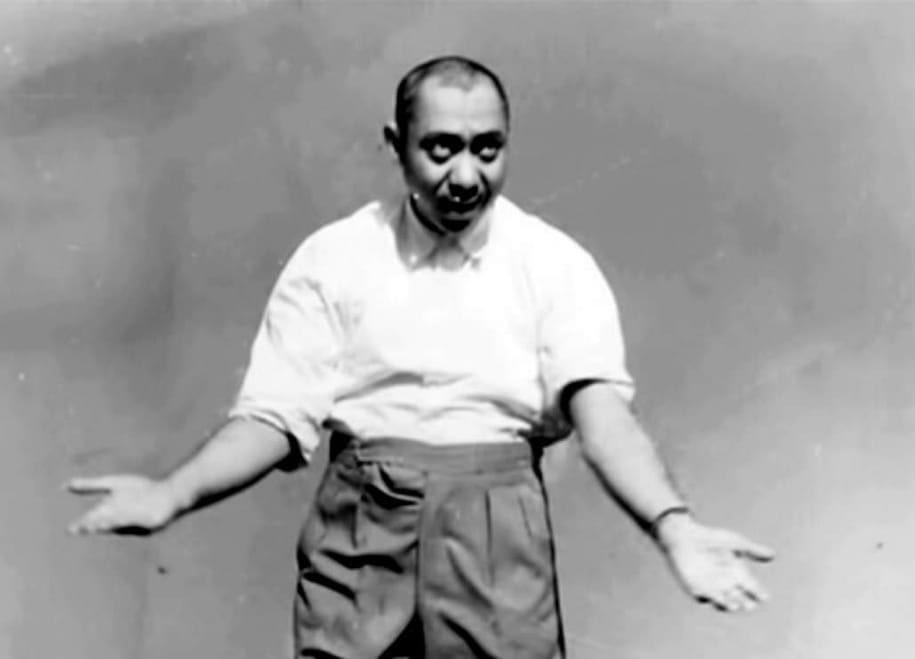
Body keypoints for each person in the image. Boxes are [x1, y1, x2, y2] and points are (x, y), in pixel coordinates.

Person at [67, 55, 775, 658]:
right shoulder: (335, 259)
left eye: (487, 149)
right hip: (360, 533)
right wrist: (172, 493)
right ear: (397, 144)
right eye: (441, 148)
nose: (466, 175)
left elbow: (604, 418)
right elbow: (274, 416)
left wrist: (674, 528)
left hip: (498, 536)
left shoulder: (554, 265)